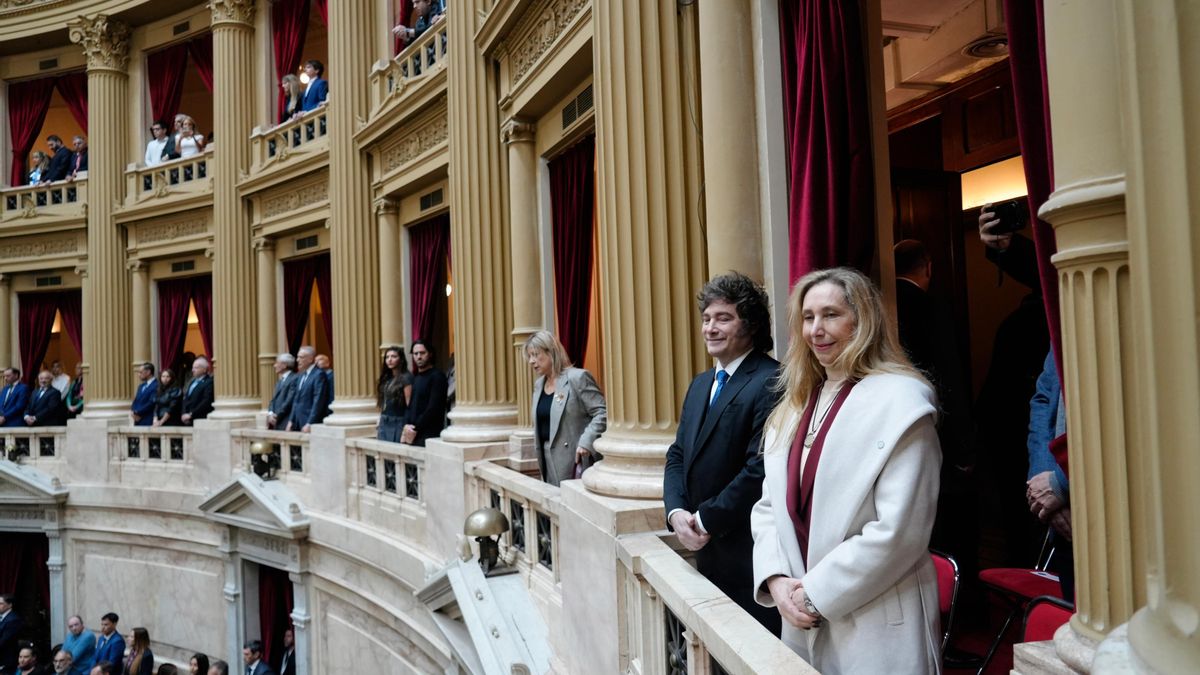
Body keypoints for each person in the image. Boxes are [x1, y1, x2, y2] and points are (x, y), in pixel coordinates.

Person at [750, 267, 941, 673]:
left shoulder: (903, 403)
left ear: (863, 320)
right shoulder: (796, 404)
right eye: (808, 317)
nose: (816, 329)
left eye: (831, 314)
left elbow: (900, 531)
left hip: (875, 616)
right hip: (800, 614)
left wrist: (814, 593)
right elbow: (769, 505)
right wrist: (777, 580)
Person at [662, 271, 782, 633]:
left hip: (749, 555)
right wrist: (676, 511)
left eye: (723, 318)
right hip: (705, 551)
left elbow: (759, 470)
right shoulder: (701, 384)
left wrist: (705, 520)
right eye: (706, 319)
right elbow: (678, 454)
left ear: (751, 325)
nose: (710, 328)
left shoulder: (772, 379)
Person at [524, 331, 607, 486]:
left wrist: (586, 441)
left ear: (551, 352)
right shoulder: (539, 385)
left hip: (575, 462)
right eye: (529, 356)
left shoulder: (577, 378)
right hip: (547, 461)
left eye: (535, 355)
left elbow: (602, 412)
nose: (531, 361)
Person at [1027, 349, 1073, 600]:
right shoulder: (1062, 322)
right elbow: (1044, 400)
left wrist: (1060, 484)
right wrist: (1043, 479)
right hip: (1062, 516)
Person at [401, 340, 447, 445]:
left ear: (430, 354)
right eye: (415, 354)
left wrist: (415, 428)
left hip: (429, 435)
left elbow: (433, 408)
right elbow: (410, 406)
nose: (418, 357)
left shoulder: (437, 376)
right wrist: (406, 425)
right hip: (413, 434)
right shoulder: (416, 378)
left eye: (422, 353)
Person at [287, 346, 330, 433]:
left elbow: (318, 401)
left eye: (301, 357)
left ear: (310, 359)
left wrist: (310, 423)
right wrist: (291, 420)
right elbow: (296, 400)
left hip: (309, 424)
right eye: (297, 357)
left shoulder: (319, 375)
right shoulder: (301, 375)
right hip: (297, 422)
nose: (297, 360)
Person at [376, 346, 412, 442]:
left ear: (401, 359)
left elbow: (409, 405)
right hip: (384, 420)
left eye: (393, 356)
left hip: (398, 421)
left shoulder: (406, 378)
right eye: (387, 357)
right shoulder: (387, 377)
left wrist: (406, 428)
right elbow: (384, 401)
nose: (389, 360)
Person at [267, 354, 298, 431]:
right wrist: (270, 414)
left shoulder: (294, 378)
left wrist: (276, 415)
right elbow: (273, 400)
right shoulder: (280, 381)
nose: (274, 365)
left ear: (284, 365)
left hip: (286, 421)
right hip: (276, 422)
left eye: (277, 363)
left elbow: (289, 401)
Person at [180, 357, 214, 425]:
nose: (193, 370)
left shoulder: (209, 382)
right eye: (193, 367)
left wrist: (191, 414)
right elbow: (186, 399)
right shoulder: (192, 382)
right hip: (187, 419)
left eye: (196, 368)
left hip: (201, 419)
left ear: (204, 369)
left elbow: (206, 401)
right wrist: (184, 414)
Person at [0, 593, 23, 673]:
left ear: (10, 605)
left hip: (6, 661)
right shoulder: (2, 617)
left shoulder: (13, 620)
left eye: (1, 603)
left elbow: (4, 641)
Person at [315, 354, 334, 418]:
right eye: (315, 360)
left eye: (320, 359)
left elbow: (332, 395)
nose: (316, 362)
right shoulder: (317, 378)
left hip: (329, 411)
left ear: (327, 363)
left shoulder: (332, 376)